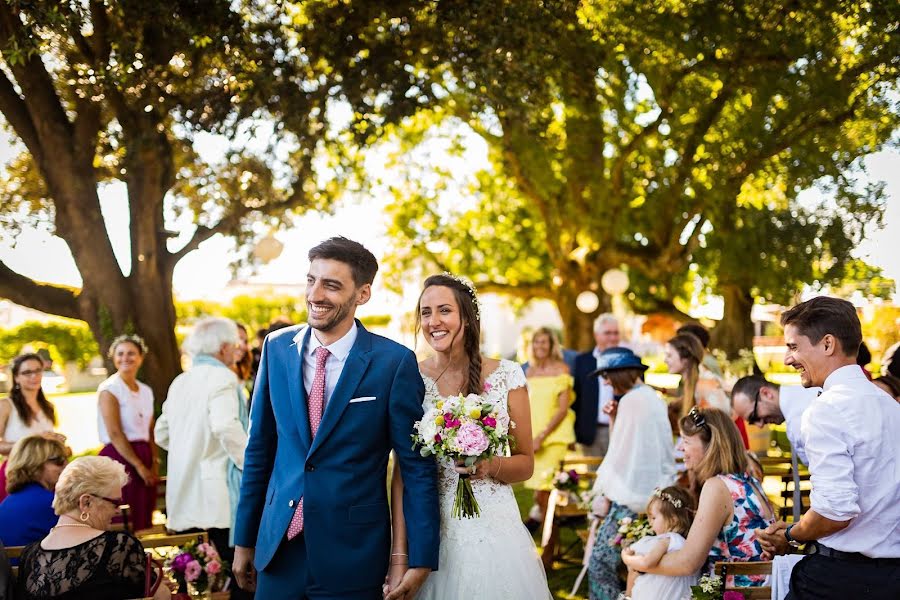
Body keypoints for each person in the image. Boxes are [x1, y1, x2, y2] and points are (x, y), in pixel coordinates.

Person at [233, 237, 439, 599]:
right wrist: (244, 539)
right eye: (311, 280)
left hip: (353, 553)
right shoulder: (277, 348)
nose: (315, 294)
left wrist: (419, 558)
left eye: (331, 285)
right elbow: (259, 450)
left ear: (362, 294)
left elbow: (415, 468)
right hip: (278, 548)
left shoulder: (393, 363)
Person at [390, 273, 551, 600]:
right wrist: (400, 556)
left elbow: (526, 464)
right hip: (433, 530)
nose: (433, 321)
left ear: (468, 316)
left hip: (495, 534)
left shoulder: (507, 375)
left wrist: (489, 465)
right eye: (425, 312)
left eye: (444, 310)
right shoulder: (410, 377)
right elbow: (402, 474)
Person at [756, 297, 900, 599]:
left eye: (794, 347)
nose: (787, 359)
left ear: (827, 344)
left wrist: (791, 534)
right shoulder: (889, 405)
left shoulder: (826, 409)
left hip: (840, 580)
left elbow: (836, 512)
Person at [623, 407, 773, 589]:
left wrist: (637, 563)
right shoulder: (747, 481)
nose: (679, 447)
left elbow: (687, 563)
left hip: (735, 593)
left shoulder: (717, 487)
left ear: (710, 447)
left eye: (685, 441)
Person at [155, 317, 250, 598]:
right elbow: (225, 426)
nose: (237, 351)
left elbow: (162, 433)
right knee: (234, 573)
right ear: (222, 348)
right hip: (218, 493)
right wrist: (253, 466)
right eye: (234, 345)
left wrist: (189, 448)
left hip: (184, 490)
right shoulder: (223, 377)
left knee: (196, 577)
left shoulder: (180, 381)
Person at [586, 347, 676, 600]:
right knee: (637, 568)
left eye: (606, 374)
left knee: (600, 563)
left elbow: (619, 453)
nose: (604, 381)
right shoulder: (650, 397)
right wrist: (615, 417)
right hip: (655, 496)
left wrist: (604, 491)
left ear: (620, 374)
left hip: (630, 498)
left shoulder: (631, 401)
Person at [16, 455, 173, 600]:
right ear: (86, 502)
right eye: (115, 502)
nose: (117, 510)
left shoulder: (30, 555)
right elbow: (160, 597)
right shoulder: (118, 546)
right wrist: (162, 585)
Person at [97, 334, 158, 531]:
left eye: (131, 353)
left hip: (144, 454)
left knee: (142, 521)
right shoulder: (110, 389)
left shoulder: (146, 390)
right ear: (113, 357)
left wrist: (154, 462)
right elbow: (115, 433)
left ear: (141, 357)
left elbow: (149, 430)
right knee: (123, 521)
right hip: (120, 456)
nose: (125, 358)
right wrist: (139, 466)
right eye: (120, 353)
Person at [523, 327, 575, 532]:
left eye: (544, 342)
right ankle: (548, 534)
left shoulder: (562, 370)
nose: (540, 346)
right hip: (534, 436)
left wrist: (542, 437)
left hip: (553, 437)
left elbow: (562, 410)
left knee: (547, 492)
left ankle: (549, 544)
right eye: (536, 342)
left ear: (552, 345)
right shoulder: (529, 371)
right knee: (539, 492)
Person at [0, 353, 64, 503]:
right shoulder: (6, 405)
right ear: (16, 377)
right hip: (16, 475)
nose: (34, 376)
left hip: (46, 476)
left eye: (38, 370)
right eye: (27, 372)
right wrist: (36, 442)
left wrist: (57, 442)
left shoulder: (48, 407)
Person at [621, 486, 698, 600]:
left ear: (673, 519)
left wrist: (626, 558)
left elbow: (646, 563)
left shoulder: (667, 540)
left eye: (653, 518)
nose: (650, 523)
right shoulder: (687, 544)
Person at [731, 375, 820, 465]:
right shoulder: (811, 390)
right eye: (752, 422)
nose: (760, 425)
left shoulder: (798, 423)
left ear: (766, 394)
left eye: (754, 416)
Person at [0, 435, 68, 547]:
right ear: (35, 464)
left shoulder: (7, 503)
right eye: (59, 461)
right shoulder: (53, 503)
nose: (66, 465)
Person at [573, 314, 621, 457]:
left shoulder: (629, 361)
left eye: (616, 333)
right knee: (593, 477)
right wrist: (576, 432)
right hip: (590, 433)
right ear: (596, 335)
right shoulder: (582, 361)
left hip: (621, 431)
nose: (613, 337)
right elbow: (576, 397)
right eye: (607, 333)